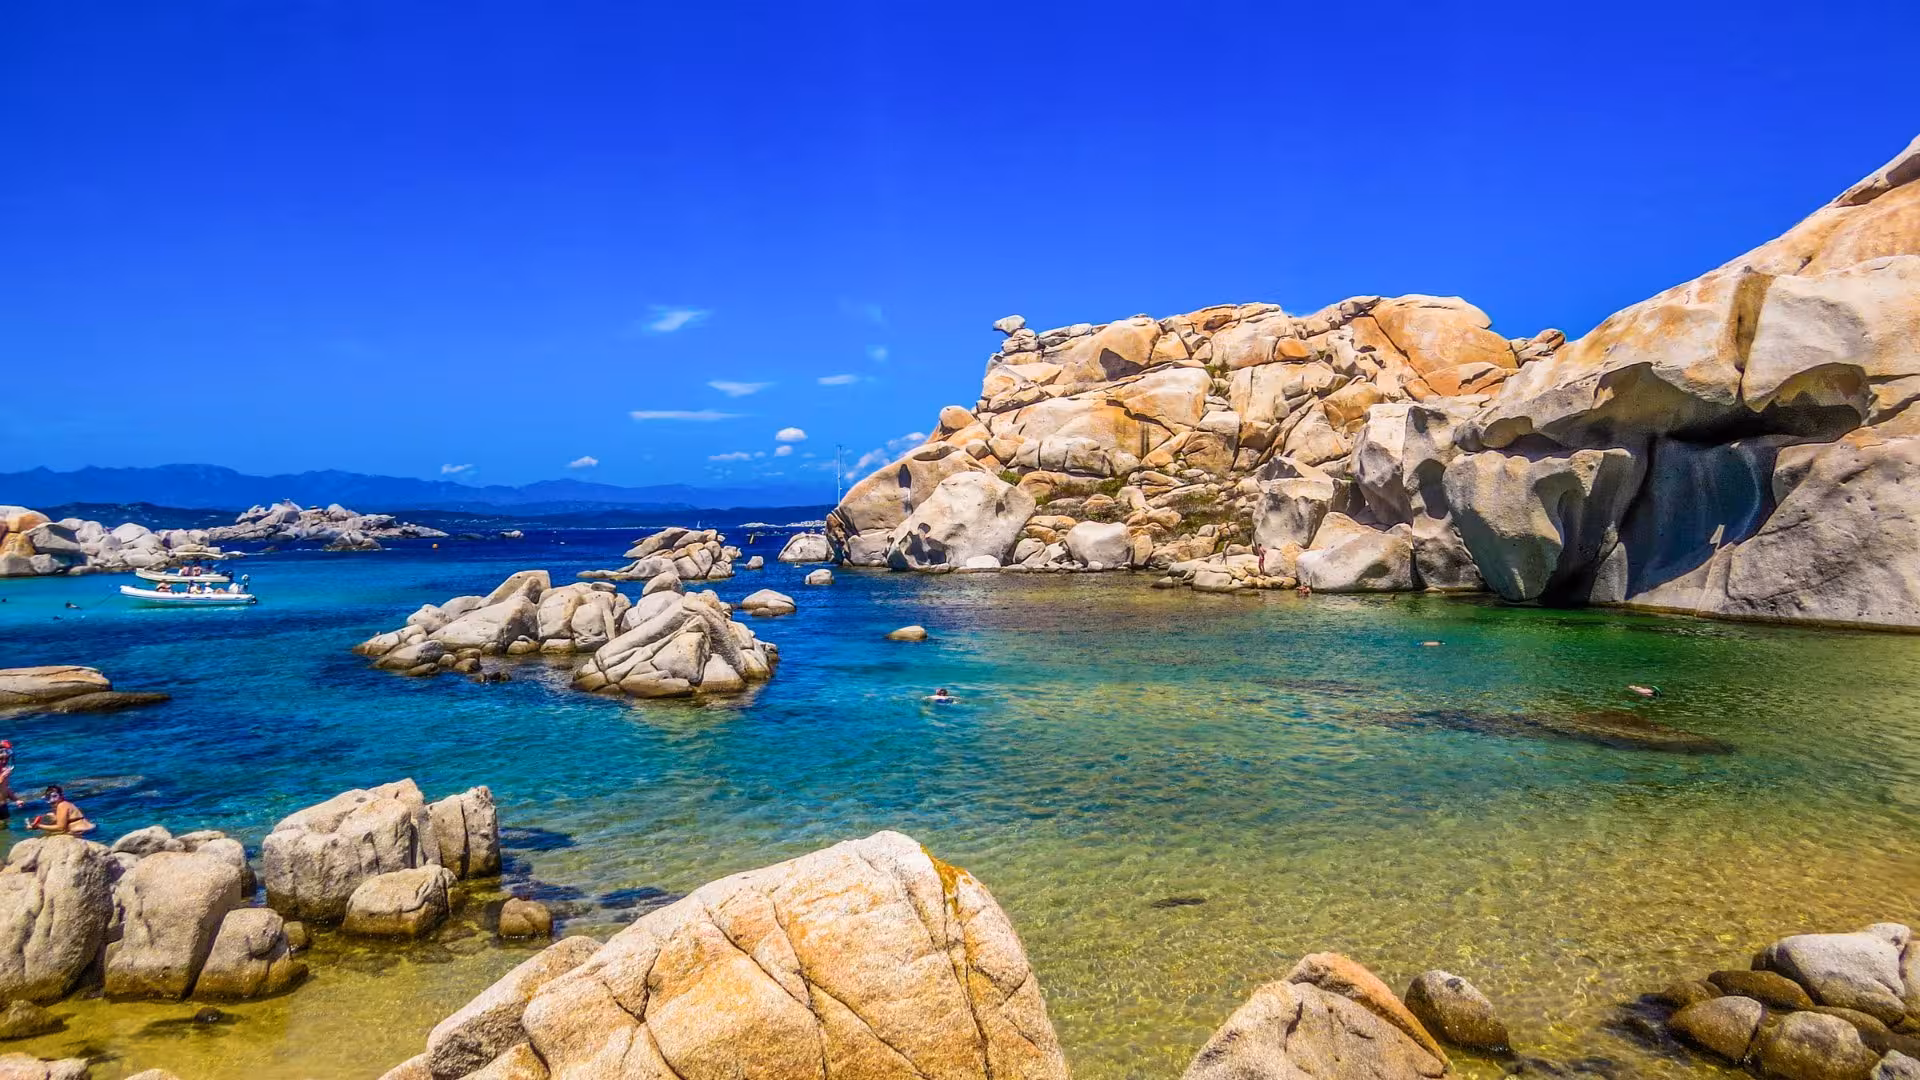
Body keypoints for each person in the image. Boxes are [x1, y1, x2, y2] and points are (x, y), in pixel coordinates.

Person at [28, 786, 94, 836]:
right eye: (48, 798)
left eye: (54, 796)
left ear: (61, 796)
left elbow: (61, 828)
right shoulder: (66, 804)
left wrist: (39, 826)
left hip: (83, 832)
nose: (52, 800)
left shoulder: (62, 805)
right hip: (89, 831)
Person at [0, 742, 22, 822]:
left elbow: (6, 789)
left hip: (3, 806)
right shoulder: (3, 774)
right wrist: (1, 778)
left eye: (7, 758)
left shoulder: (5, 771)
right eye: (1, 759)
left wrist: (16, 800)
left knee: (6, 829)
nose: (4, 761)